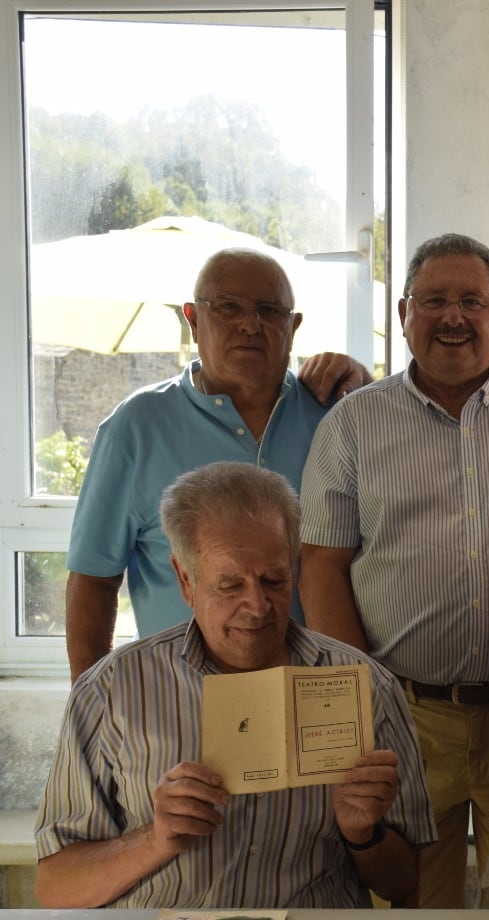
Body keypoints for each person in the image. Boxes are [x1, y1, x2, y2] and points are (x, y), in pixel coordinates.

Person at [299, 233, 489, 908]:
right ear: (405, 313)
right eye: (434, 300)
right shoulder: (353, 425)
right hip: (408, 717)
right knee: (410, 915)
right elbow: (322, 564)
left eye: (473, 300)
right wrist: (363, 703)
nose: (454, 316)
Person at [35, 462, 432, 909]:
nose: (258, 606)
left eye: (274, 580)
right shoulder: (112, 690)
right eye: (229, 584)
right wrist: (157, 838)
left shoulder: (364, 684)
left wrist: (365, 834)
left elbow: (403, 882)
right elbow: (56, 888)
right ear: (185, 580)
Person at [65, 247, 372, 680]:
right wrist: (92, 706)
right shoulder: (135, 428)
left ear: (293, 326)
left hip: (317, 698)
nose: (250, 325)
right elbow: (93, 581)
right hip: (183, 700)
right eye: (228, 307)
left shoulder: (334, 413)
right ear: (192, 320)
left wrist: (364, 380)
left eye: (269, 310)